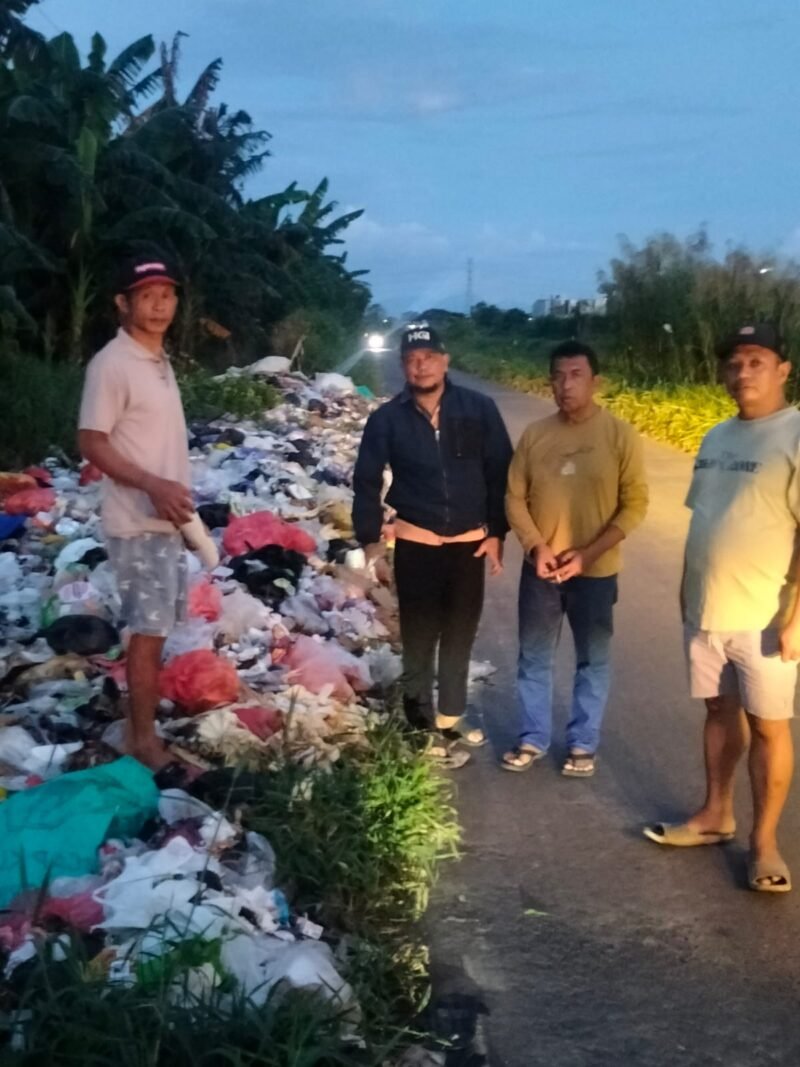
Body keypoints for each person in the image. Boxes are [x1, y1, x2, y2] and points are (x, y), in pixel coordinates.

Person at [644, 322, 800, 893]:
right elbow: (703, 521)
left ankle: (764, 844)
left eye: (757, 360)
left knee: (768, 727)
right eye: (734, 362)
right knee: (716, 713)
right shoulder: (715, 437)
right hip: (706, 608)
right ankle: (715, 815)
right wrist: (687, 591)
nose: (743, 372)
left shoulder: (795, 433)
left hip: (765, 614)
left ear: (783, 369)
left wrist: (796, 617)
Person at [352, 323, 513, 766]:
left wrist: (498, 532)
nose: (420, 364)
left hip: (469, 544)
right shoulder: (387, 418)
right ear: (403, 365)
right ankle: (419, 724)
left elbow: (501, 473)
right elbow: (365, 480)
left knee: (460, 635)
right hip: (416, 542)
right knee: (420, 638)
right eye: (411, 358)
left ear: (445, 360)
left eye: (428, 356)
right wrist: (371, 542)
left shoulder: (478, 410)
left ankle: (450, 717)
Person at [503, 340, 648, 777]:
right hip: (541, 572)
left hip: (596, 573)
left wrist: (588, 554)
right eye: (558, 376)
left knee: (593, 659)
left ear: (595, 381)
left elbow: (635, 504)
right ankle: (533, 738)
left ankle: (583, 743)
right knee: (534, 657)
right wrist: (536, 546)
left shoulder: (620, 435)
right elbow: (514, 497)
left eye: (576, 375)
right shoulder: (536, 435)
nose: (565, 385)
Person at [78, 251, 193, 770]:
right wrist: (151, 483)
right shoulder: (112, 363)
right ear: (122, 303)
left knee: (156, 632)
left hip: (164, 520)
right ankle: (141, 743)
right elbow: (91, 441)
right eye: (147, 296)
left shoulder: (157, 359)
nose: (159, 305)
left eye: (166, 295)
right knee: (145, 638)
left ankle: (142, 726)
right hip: (136, 522)